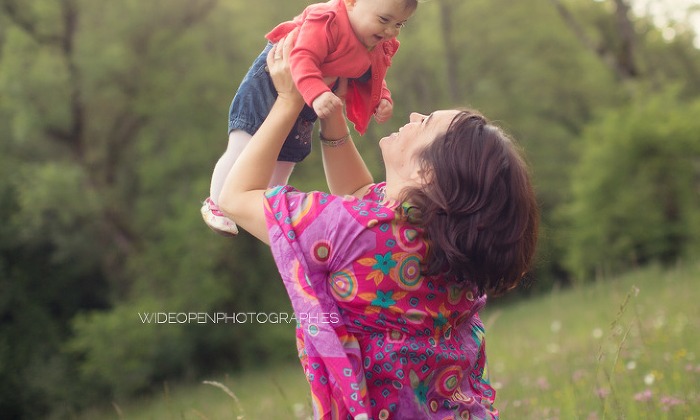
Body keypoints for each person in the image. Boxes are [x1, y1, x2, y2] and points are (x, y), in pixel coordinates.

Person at [219, 31, 539, 419]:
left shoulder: (352, 232)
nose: (415, 117)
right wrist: (332, 117)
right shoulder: (434, 239)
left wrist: (287, 101)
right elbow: (360, 192)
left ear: (428, 173)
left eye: (427, 124)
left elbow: (234, 198)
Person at [203, 0, 419, 236]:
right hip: (272, 82)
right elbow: (301, 57)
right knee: (245, 144)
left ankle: (259, 205)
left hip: (310, 97)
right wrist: (317, 94)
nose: (391, 31)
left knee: (285, 158)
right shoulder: (327, 20)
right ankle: (217, 202)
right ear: (353, 0)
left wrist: (382, 98)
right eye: (385, 19)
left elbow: (373, 74)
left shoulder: (371, 41)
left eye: (399, 24)